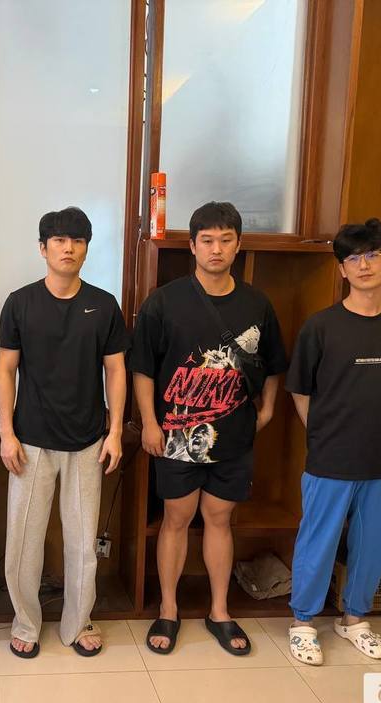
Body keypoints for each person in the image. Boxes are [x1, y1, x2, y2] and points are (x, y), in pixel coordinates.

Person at [129, 201, 286, 656]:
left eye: (225, 240)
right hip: (176, 435)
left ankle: (219, 610)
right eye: (207, 240)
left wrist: (268, 410)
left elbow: (274, 363)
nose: (216, 249)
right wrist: (150, 423)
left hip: (235, 434)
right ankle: (169, 608)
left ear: (238, 245)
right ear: (193, 246)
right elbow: (143, 368)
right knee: (176, 519)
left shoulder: (257, 303)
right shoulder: (164, 301)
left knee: (220, 519)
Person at [286, 218, 381, 665]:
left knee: (371, 542)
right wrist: (323, 433)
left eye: (373, 255)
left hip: (380, 455)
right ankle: (303, 622)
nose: (363, 265)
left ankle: (355, 618)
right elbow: (300, 391)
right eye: (353, 258)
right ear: (342, 269)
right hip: (330, 455)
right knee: (319, 539)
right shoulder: (321, 326)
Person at [0, 206, 128, 658]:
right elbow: (5, 371)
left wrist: (115, 432)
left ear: (86, 248)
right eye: (58, 240)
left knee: (83, 543)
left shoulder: (104, 305)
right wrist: (6, 434)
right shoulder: (20, 302)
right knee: (23, 542)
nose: (68, 247)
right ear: (43, 248)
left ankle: (78, 621)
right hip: (30, 442)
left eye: (77, 240)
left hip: (88, 440)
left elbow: (116, 371)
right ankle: (25, 622)